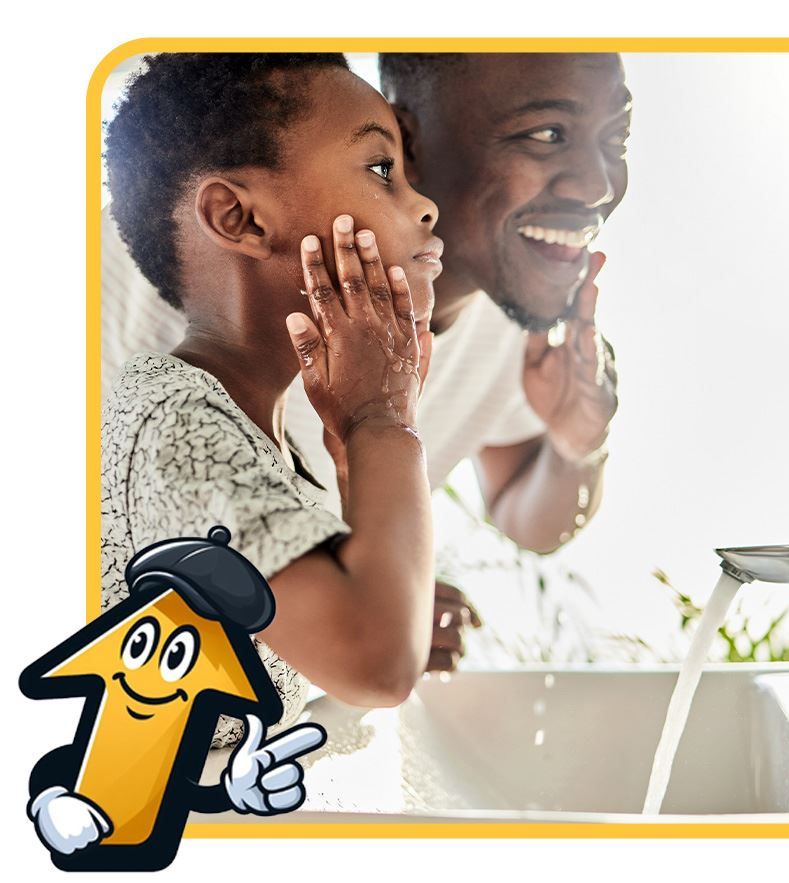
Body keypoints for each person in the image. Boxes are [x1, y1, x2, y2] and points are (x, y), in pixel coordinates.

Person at [101, 52, 632, 670]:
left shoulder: (515, 331)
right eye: (545, 133)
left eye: (617, 138)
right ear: (411, 134)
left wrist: (375, 577)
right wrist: (382, 421)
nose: (598, 185)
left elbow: (521, 521)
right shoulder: (149, 340)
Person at [102, 52, 443, 744]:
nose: (425, 204)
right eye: (382, 170)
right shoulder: (173, 422)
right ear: (241, 219)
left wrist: (357, 449)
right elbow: (375, 662)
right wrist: (384, 421)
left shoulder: (258, 438)